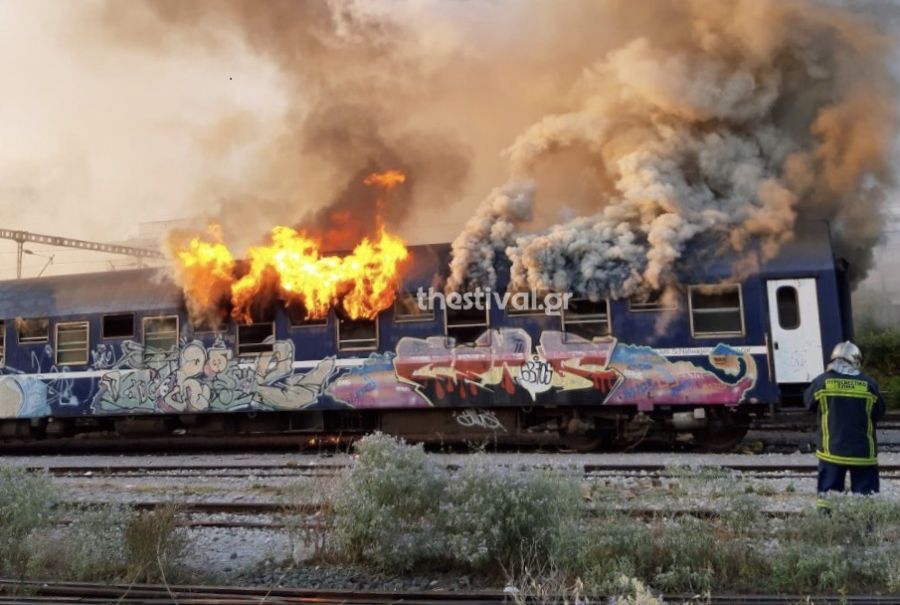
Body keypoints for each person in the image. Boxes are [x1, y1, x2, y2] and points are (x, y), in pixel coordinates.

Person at [804, 341, 885, 510]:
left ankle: (829, 531)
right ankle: (866, 532)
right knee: (866, 498)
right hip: (863, 453)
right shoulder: (869, 384)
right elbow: (879, 412)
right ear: (856, 361)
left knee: (828, 498)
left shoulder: (821, 382)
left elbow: (809, 404)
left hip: (831, 451)